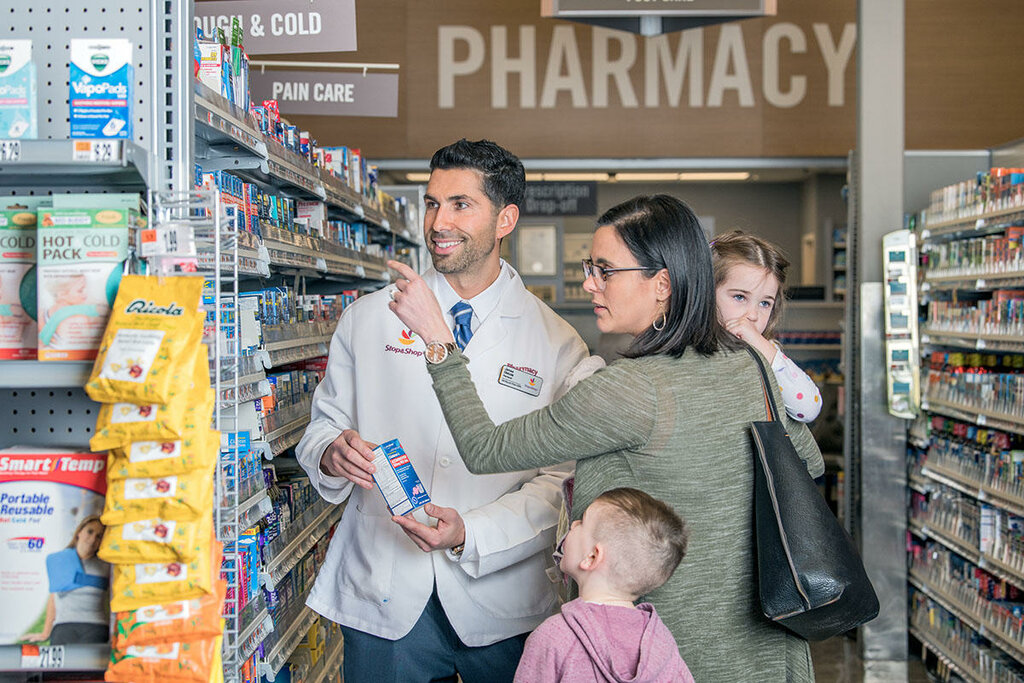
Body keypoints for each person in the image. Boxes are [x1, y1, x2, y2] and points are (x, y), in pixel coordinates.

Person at [386, 193, 824, 681]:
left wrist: (437, 341)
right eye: (588, 266)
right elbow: (807, 461)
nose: (589, 282)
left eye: (605, 270)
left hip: (671, 652)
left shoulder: (630, 388)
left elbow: (484, 448)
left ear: (661, 283)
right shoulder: (749, 365)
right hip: (767, 641)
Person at [295, 138, 588, 683]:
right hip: (384, 592)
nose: (439, 222)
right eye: (432, 203)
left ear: (506, 219)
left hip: (502, 599)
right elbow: (322, 427)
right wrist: (332, 452)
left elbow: (558, 483)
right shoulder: (368, 319)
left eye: (461, 205)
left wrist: (470, 535)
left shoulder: (555, 341)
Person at [514, 487, 695, 683]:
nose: (573, 524)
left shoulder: (552, 638)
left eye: (582, 522)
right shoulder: (661, 643)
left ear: (592, 557)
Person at [712, 230, 822, 422]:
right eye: (740, 297)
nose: (753, 315)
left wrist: (763, 347)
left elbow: (808, 408)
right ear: (705, 292)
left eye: (765, 303)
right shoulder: (685, 347)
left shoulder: (766, 351)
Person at [27, 515, 110, 645]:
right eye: (90, 531)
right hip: (64, 626)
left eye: (99, 536)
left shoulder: (106, 566)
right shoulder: (60, 560)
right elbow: (54, 598)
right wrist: (46, 633)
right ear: (79, 532)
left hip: (96, 627)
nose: (93, 539)